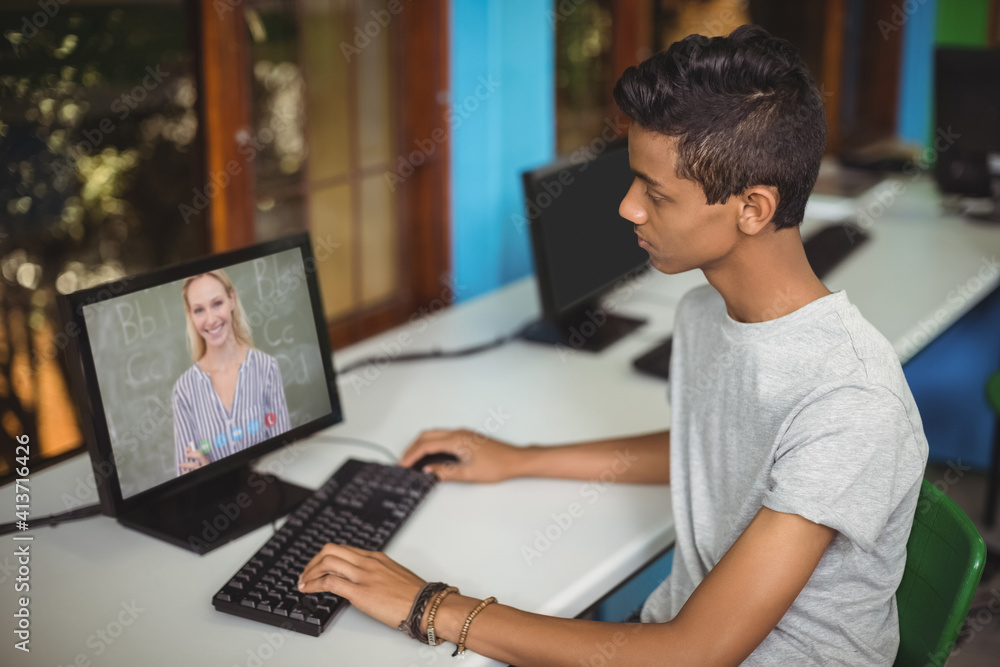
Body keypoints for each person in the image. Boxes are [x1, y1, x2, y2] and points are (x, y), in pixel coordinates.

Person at [297, 26, 928, 666]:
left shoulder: (851, 402)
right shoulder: (706, 313)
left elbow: (692, 654)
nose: (628, 208)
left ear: (754, 208)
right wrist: (520, 458)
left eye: (655, 193)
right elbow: (714, 449)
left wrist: (430, 607)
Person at [172, 269, 290, 475]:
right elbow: (187, 478)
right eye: (199, 310)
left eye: (217, 304)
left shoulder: (266, 367)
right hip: (216, 506)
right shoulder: (183, 390)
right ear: (190, 315)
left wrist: (211, 472)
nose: (210, 320)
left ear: (232, 299)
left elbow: (285, 455)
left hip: (268, 497)